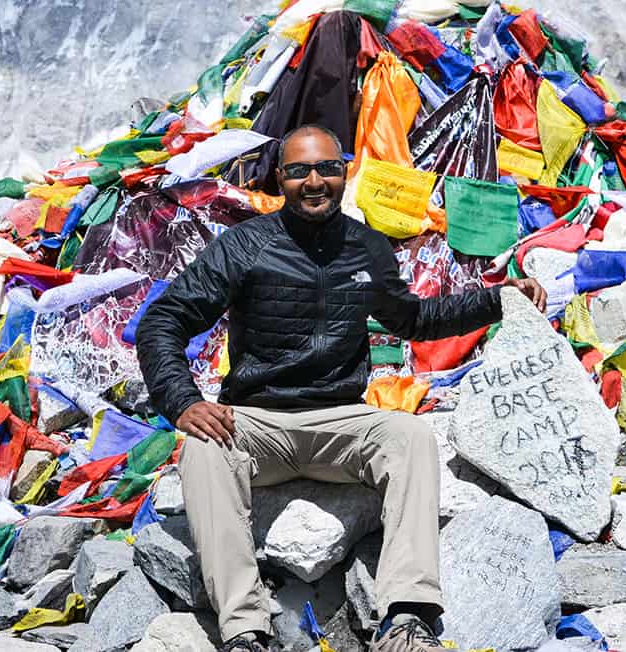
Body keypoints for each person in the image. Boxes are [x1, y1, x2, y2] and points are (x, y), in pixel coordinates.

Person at [136, 124, 546, 652]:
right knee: (202, 448)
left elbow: (412, 319)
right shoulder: (245, 245)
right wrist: (184, 401)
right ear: (280, 178)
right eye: (299, 170)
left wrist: (495, 299)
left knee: (411, 437)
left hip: (341, 424)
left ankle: (405, 619)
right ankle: (244, 632)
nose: (315, 181)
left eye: (327, 168)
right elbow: (163, 321)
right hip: (257, 423)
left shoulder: (366, 248)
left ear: (344, 172)